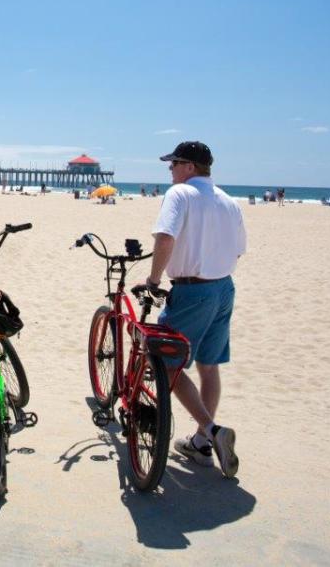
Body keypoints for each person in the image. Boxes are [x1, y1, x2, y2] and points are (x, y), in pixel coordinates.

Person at [144, 141, 246, 477]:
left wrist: (154, 280)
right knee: (209, 364)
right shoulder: (229, 201)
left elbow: (165, 238)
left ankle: (213, 431)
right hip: (224, 288)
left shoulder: (180, 194)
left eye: (173, 165)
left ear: (189, 167)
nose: (170, 171)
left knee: (166, 363)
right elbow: (239, 249)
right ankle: (201, 443)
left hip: (192, 292)